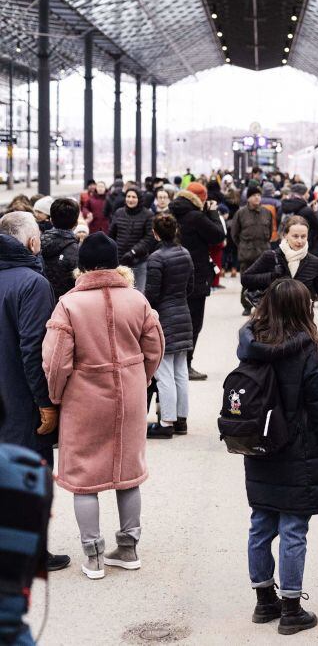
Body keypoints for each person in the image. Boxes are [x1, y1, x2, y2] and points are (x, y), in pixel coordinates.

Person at [42, 232, 165, 580]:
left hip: (84, 397)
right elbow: (155, 348)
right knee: (127, 474)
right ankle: (128, 549)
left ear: (82, 266)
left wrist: (56, 395)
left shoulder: (69, 304)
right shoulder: (137, 300)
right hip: (129, 393)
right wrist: (139, 378)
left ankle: (93, 556)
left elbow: (55, 361)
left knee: (85, 478)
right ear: (116, 263)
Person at [239, 279, 318, 635]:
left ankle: (263, 601)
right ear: (304, 310)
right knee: (293, 530)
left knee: (260, 524)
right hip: (298, 451)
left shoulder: (249, 344)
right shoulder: (307, 352)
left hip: (259, 447)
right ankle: (290, 609)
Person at [0, 212, 70, 572]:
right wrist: (46, 402)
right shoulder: (33, 283)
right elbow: (34, 351)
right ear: (30, 243)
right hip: (21, 403)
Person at [144, 215, 194, 439]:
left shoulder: (156, 258)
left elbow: (152, 293)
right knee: (180, 371)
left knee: (163, 373)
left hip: (165, 317)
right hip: (183, 313)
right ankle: (181, 419)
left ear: (155, 233)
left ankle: (166, 422)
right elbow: (190, 286)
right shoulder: (185, 253)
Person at [241, 216, 318, 320]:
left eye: (303, 236)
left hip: (302, 321)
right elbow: (246, 279)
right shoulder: (271, 256)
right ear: (285, 235)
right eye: (295, 236)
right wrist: (272, 277)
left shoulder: (314, 262)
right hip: (272, 319)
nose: (300, 241)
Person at [170, 188, 225, 381]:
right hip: (196, 276)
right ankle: (186, 365)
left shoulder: (172, 213)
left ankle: (174, 365)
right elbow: (218, 235)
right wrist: (212, 213)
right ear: (200, 199)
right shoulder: (196, 217)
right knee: (194, 323)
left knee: (174, 321)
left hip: (173, 274)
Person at [231, 187, 274, 316]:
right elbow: (234, 234)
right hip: (247, 254)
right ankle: (246, 305)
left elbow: (270, 231)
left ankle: (262, 306)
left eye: (258, 195)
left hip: (263, 253)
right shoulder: (241, 213)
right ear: (248, 198)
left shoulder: (267, 212)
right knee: (246, 281)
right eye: (254, 195)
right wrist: (243, 246)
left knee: (265, 281)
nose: (257, 198)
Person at [109, 186, 155, 292]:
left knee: (138, 292)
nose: (130, 199)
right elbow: (111, 234)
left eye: (134, 197)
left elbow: (149, 238)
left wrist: (133, 252)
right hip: (120, 260)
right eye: (128, 196)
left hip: (139, 261)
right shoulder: (119, 212)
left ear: (139, 199)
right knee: (119, 292)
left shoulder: (148, 215)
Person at [40, 198, 82, 299]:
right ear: (76, 223)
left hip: (40, 302)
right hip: (67, 305)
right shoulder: (78, 251)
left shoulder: (36, 244)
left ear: (51, 220)